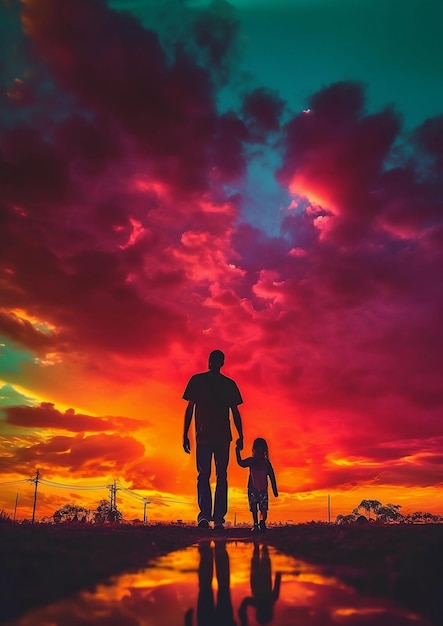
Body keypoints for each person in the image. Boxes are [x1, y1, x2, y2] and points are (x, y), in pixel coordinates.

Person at [183, 349, 244, 531]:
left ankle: (218, 518)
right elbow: (189, 408)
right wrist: (184, 433)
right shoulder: (197, 381)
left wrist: (241, 435)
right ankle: (204, 516)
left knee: (221, 476)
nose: (213, 363)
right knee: (203, 476)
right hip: (203, 437)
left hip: (223, 437)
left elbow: (235, 412)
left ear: (222, 363)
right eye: (212, 360)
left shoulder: (229, 384)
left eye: (217, 360)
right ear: (208, 361)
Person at [235, 437, 278, 533]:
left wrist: (274, 489)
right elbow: (241, 463)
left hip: (263, 490)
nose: (259, 451)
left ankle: (262, 522)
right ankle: (255, 524)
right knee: (254, 508)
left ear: (264, 450)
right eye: (257, 448)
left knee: (263, 508)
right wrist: (237, 452)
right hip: (252, 489)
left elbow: (272, 476)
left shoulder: (266, 463)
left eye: (261, 449)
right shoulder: (251, 461)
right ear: (254, 450)